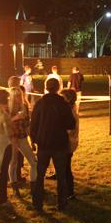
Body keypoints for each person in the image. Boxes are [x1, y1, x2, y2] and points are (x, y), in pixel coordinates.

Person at [30, 78, 76, 212]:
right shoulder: (63, 104)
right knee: (61, 175)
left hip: (44, 143)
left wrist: (33, 139)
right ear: (58, 88)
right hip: (59, 143)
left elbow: (34, 124)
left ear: (46, 87)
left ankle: (37, 203)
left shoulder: (40, 103)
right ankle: (62, 203)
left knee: (40, 175)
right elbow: (71, 123)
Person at [7, 86, 37, 197]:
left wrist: (32, 139)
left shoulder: (24, 106)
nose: (19, 98)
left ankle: (34, 186)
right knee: (13, 162)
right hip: (11, 138)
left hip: (22, 136)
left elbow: (27, 125)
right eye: (16, 96)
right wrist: (15, 117)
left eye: (20, 95)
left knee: (33, 162)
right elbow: (3, 124)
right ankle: (15, 188)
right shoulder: (7, 109)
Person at [60, 89, 79, 201]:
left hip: (68, 143)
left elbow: (71, 130)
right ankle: (68, 191)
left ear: (68, 99)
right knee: (65, 167)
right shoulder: (68, 109)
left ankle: (70, 192)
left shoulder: (71, 112)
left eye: (62, 97)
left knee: (66, 168)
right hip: (67, 142)